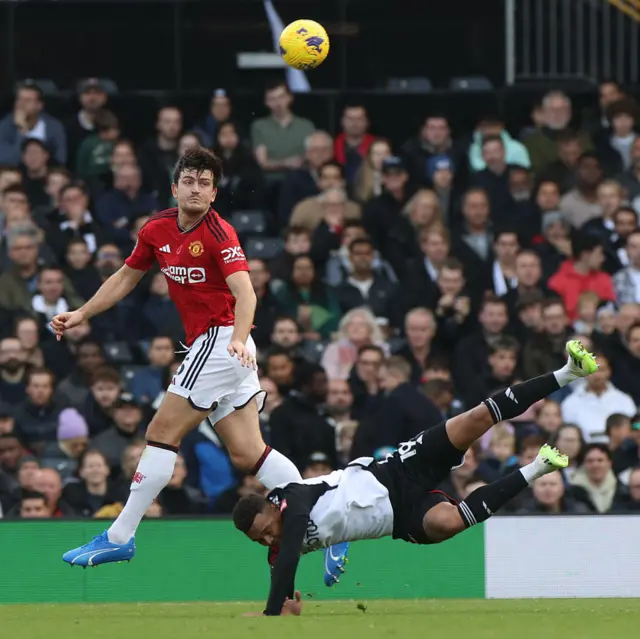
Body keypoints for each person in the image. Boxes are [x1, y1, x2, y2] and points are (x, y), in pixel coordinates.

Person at [53, 147, 348, 584]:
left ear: (214, 193)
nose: (195, 188)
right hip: (219, 346)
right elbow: (125, 277)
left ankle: (120, 534)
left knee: (160, 434)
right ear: (175, 188)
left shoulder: (220, 233)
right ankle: (332, 519)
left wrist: (238, 339)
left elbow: (246, 294)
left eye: (204, 183)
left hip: (221, 341)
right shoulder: (156, 228)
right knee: (249, 452)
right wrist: (81, 313)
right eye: (188, 181)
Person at [232, 340, 598, 616]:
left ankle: (568, 372)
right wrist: (284, 606)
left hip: (395, 471)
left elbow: (291, 545)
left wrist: (269, 611)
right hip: (398, 517)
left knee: (476, 419)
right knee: (449, 522)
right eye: (259, 540)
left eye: (265, 528)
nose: (267, 538)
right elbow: (283, 570)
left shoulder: (290, 501)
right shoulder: (279, 549)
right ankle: (538, 467)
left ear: (271, 505)